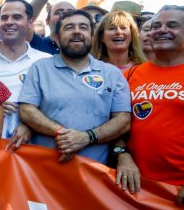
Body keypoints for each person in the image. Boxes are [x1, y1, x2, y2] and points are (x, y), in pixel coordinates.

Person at [18, 10, 131, 164]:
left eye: (83, 27)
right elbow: (26, 110)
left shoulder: (112, 73)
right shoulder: (39, 68)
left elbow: (123, 120)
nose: (77, 31)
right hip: (43, 172)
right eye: (69, 28)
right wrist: (63, 134)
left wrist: (86, 137)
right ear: (56, 38)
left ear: (92, 37)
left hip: (94, 174)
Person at [115, 5, 184, 205]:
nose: (161, 30)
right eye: (156, 26)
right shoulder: (129, 75)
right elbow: (116, 124)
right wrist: (122, 155)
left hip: (178, 192)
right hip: (134, 188)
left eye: (172, 25)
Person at [0, 0, 51, 146]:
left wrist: (31, 126)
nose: (9, 22)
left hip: (30, 148)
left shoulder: (45, 61)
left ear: (30, 22)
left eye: (17, 17)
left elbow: (55, 104)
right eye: (4, 17)